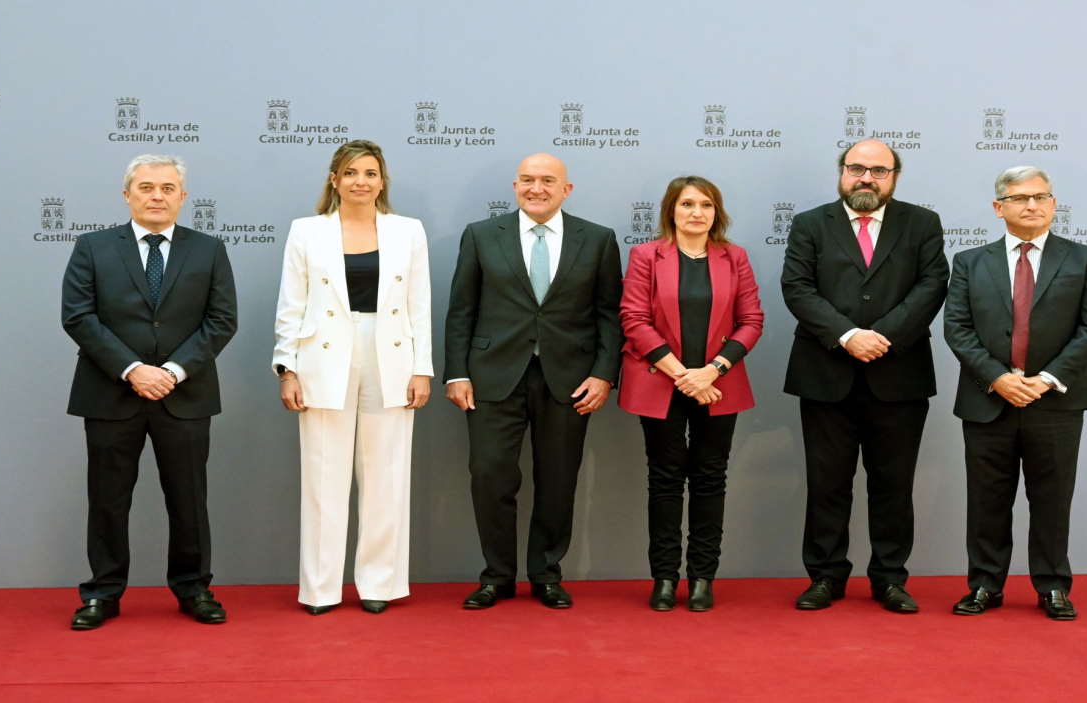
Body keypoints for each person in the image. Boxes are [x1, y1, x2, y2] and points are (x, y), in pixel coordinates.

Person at [61, 154, 237, 630]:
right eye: (145, 187)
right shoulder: (92, 247)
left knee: (188, 499)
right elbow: (78, 316)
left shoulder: (209, 249)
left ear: (182, 196)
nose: (156, 195)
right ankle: (101, 593)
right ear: (127, 195)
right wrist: (134, 369)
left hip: (185, 395)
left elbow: (221, 321)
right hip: (110, 393)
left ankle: (194, 588)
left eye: (166, 187)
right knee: (108, 499)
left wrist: (174, 371)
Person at [444, 153, 622, 609]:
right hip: (491, 377)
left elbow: (609, 315)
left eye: (547, 181)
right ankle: (497, 576)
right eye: (527, 180)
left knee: (558, 479)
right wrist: (457, 372)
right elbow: (461, 310)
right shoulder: (482, 236)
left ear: (567, 190)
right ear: (515, 185)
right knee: (489, 476)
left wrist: (604, 374)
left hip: (570, 379)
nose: (536, 188)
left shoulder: (598, 240)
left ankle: (546, 574)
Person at [781, 139, 948, 613]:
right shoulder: (811, 224)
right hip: (825, 374)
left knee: (894, 485)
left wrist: (883, 336)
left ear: (895, 177)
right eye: (857, 168)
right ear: (841, 172)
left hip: (899, 376)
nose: (866, 178)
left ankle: (890, 579)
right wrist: (849, 334)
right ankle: (825, 577)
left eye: (879, 170)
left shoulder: (922, 223)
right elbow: (797, 286)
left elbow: (932, 284)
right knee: (826, 483)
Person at [272, 139, 432, 615]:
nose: (360, 181)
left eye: (370, 173)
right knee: (323, 476)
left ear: (382, 181)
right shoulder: (307, 231)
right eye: (351, 172)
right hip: (322, 358)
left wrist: (422, 368)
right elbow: (290, 306)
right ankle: (320, 588)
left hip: (392, 357)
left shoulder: (407, 232)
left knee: (387, 474)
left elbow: (419, 306)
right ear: (334, 179)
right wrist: (287, 367)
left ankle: (378, 584)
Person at [944, 166, 1087, 620]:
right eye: (1019, 198)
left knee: (1053, 499)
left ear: (1054, 204)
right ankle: (984, 585)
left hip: (1055, 400)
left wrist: (1046, 379)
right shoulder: (969, 262)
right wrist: (997, 378)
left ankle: (1053, 586)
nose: (1032, 205)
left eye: (1041, 197)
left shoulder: (1082, 258)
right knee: (986, 500)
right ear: (999, 208)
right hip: (988, 399)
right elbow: (957, 330)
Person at [618, 176, 763, 612]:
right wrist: (684, 374)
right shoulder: (646, 255)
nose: (696, 212)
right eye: (687, 204)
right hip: (661, 381)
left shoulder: (734, 257)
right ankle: (664, 578)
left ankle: (702, 578)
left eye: (705, 205)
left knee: (709, 480)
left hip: (719, 386)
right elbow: (633, 318)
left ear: (716, 212)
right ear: (671, 211)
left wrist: (712, 371)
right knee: (663, 481)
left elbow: (751, 320)